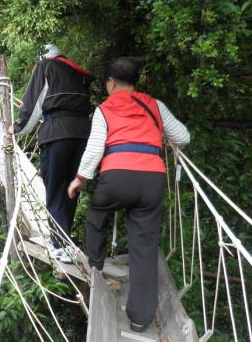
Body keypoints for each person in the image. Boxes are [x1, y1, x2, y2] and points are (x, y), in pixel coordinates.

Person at [67, 57, 190, 333]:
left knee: (97, 215)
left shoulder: (104, 109)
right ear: (136, 81)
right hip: (152, 180)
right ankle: (140, 319)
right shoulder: (155, 105)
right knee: (144, 246)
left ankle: (95, 267)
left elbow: (95, 149)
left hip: (117, 178)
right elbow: (183, 136)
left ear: (110, 83)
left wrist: (79, 180)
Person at [9, 44, 94, 263]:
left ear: (43, 58)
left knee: (55, 188)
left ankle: (60, 244)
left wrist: (17, 128)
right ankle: (66, 240)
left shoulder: (46, 67)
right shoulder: (76, 72)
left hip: (56, 134)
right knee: (71, 188)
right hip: (83, 134)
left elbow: (33, 104)